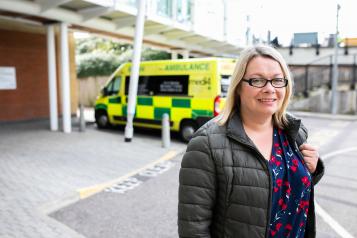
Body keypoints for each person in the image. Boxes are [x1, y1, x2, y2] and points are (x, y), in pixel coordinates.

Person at [178, 45, 324, 238]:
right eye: (257, 80)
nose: (270, 88)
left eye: (277, 80)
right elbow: (193, 230)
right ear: (238, 86)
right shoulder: (206, 144)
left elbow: (283, 191)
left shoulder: (293, 132)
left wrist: (313, 170)